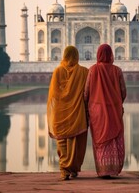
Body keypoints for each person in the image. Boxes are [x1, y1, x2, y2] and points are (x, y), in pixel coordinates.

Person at [84, 44, 127, 178]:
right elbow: (123, 92)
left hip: (97, 112)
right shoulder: (117, 71)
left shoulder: (92, 70)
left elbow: (86, 92)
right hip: (114, 109)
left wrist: (88, 106)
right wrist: (117, 103)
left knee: (100, 141)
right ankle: (113, 169)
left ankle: (103, 170)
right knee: (114, 138)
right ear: (111, 55)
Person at [47, 46, 89, 180]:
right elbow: (88, 93)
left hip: (60, 112)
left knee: (62, 141)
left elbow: (54, 94)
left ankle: (64, 170)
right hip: (77, 112)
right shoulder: (83, 72)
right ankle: (74, 168)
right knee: (76, 141)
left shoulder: (58, 71)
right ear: (77, 56)